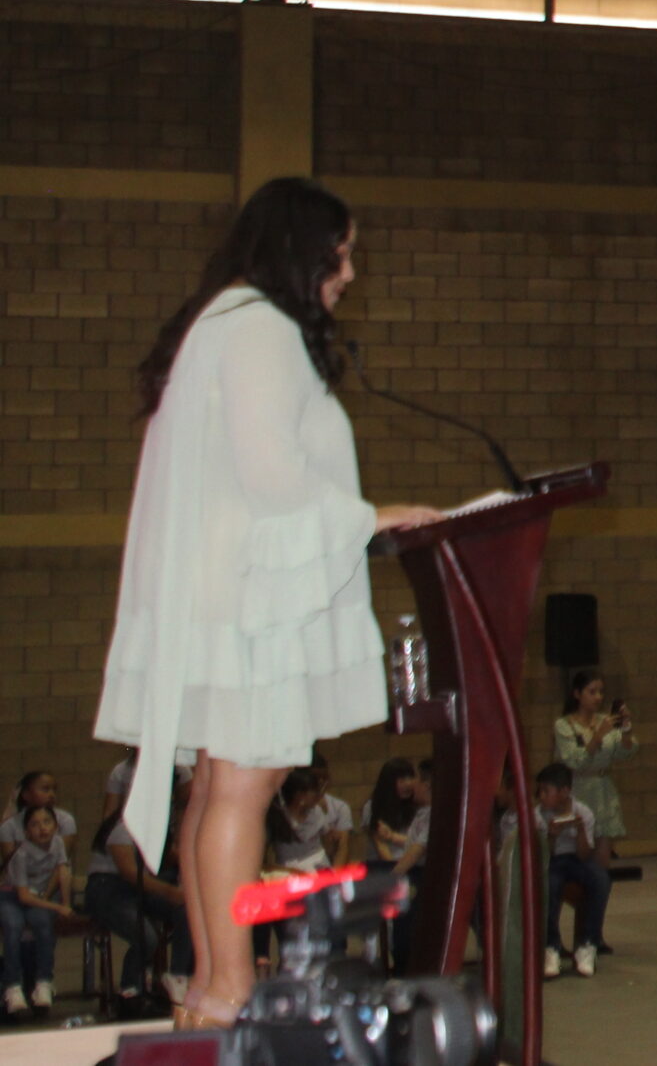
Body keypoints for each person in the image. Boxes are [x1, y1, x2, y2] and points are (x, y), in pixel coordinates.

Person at [93, 179, 443, 1031]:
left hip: (224, 592)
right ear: (301, 250)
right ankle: (227, 991)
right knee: (240, 793)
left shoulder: (224, 320)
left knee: (220, 789)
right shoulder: (260, 329)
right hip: (250, 601)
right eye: (341, 254)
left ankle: (210, 987)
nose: (350, 273)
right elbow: (273, 472)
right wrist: (370, 516)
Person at [86, 779, 192, 1005]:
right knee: (147, 937)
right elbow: (129, 872)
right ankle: (130, 989)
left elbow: (171, 858)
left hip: (137, 888)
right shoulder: (123, 828)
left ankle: (178, 975)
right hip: (108, 888)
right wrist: (169, 891)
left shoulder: (153, 829)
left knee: (186, 911)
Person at [521, 762, 611, 978]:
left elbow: (584, 855)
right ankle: (551, 947)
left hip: (577, 860)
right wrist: (551, 836)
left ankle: (587, 944)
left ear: (564, 791)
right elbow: (542, 857)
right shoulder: (537, 815)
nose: (541, 796)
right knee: (550, 884)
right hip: (552, 862)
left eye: (547, 791)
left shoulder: (583, 812)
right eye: (540, 791)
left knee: (600, 879)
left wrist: (579, 832)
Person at [555, 670, 639, 868]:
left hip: (604, 791)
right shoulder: (564, 725)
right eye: (592, 692)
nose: (598, 697)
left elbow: (624, 752)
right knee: (579, 854)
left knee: (602, 860)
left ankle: (600, 883)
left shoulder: (606, 721)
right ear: (577, 694)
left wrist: (626, 729)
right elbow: (575, 761)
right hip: (579, 788)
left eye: (601, 692)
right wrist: (598, 736)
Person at [1, 803, 76, 1016]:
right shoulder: (21, 854)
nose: (42, 828)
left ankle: (43, 981)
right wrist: (57, 906)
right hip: (12, 897)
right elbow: (23, 896)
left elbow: (63, 871)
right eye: (34, 824)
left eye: (46, 822)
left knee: (43, 923)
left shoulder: (58, 843)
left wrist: (66, 903)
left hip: (38, 897)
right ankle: (12, 986)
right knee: (13, 926)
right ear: (26, 832)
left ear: (55, 826)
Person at [358, 758, 420, 867]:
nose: (408, 784)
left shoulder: (418, 806)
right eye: (402, 780)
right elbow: (381, 845)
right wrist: (397, 871)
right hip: (384, 867)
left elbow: (421, 842)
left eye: (410, 778)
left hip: (413, 864)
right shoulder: (372, 807)